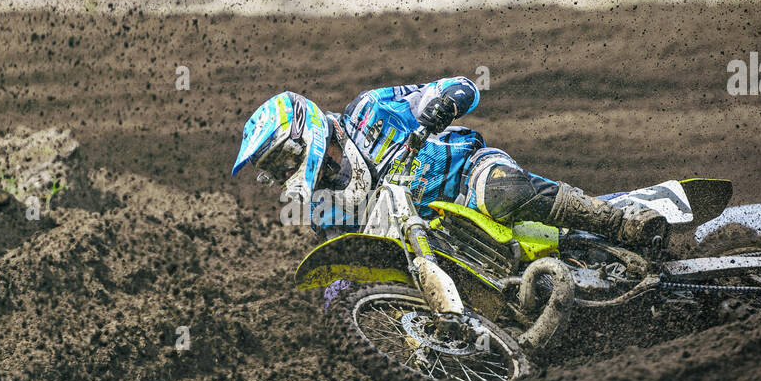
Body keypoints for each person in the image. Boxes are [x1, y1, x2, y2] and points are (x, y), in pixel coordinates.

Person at [231, 76, 667, 249]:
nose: (285, 172)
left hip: (468, 178)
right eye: (275, 169)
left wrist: (443, 103)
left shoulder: (370, 111)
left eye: (283, 158)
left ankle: (617, 221)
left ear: (304, 132)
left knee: (503, 191)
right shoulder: (324, 206)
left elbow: (463, 86)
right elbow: (343, 255)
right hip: (439, 242)